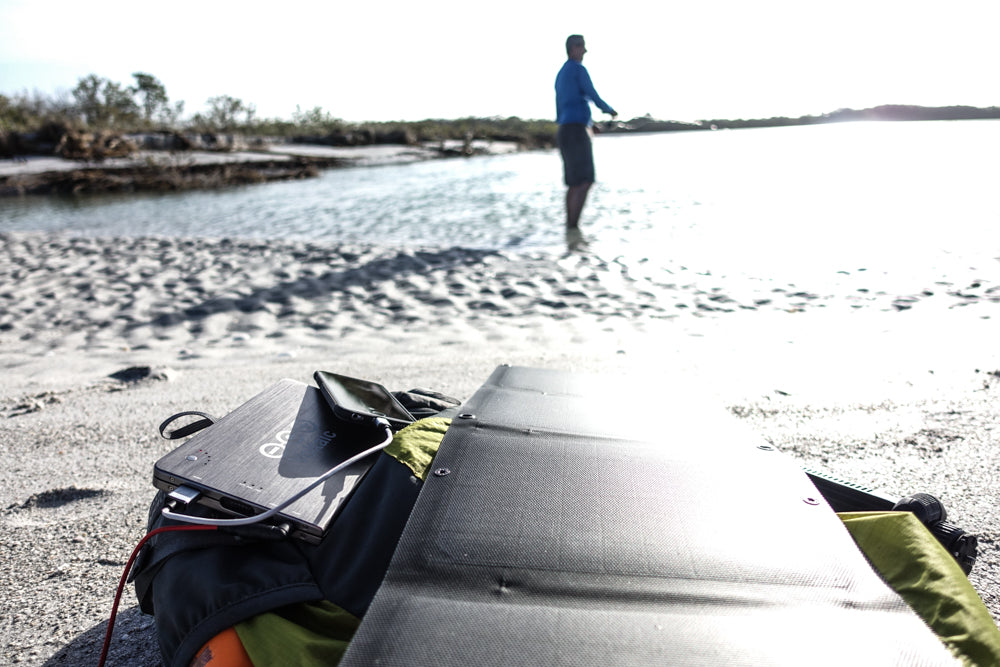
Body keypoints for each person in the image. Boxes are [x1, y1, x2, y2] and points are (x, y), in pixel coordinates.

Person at [555, 34, 617, 230]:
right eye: (582, 46)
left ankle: (570, 228)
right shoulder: (578, 69)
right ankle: (574, 227)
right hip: (576, 131)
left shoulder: (560, 74)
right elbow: (592, 94)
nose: (585, 50)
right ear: (573, 48)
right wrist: (610, 110)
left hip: (565, 130)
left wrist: (589, 124)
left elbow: (563, 107)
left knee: (573, 183)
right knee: (585, 181)